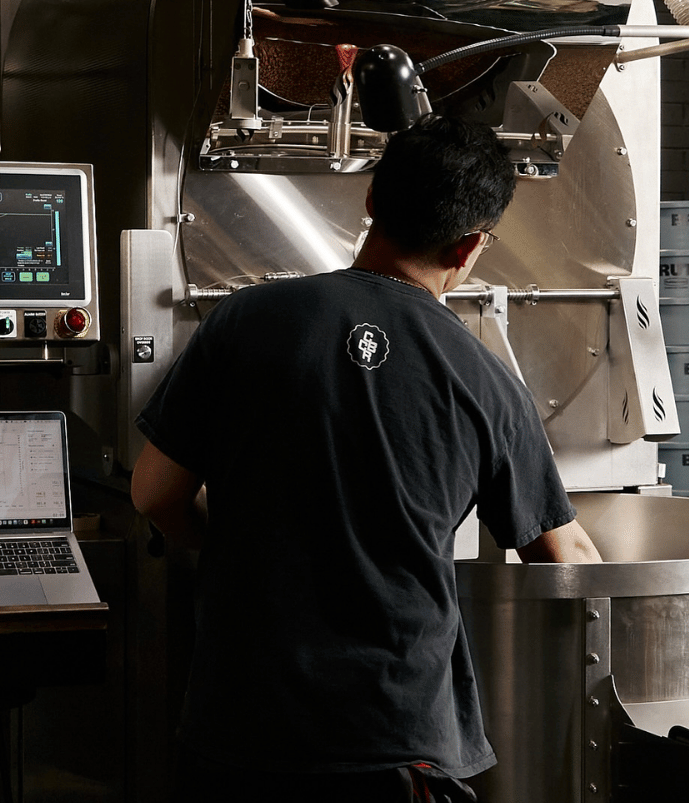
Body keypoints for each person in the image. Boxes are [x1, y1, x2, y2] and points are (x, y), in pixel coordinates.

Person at [131, 113, 602, 801]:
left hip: (239, 724)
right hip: (392, 737)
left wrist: (230, 542)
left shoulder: (245, 319)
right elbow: (565, 559)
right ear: (470, 245)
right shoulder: (486, 380)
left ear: (372, 200)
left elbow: (153, 494)